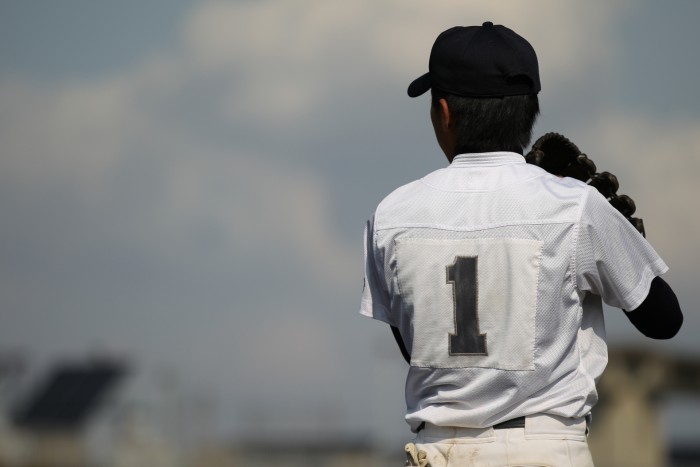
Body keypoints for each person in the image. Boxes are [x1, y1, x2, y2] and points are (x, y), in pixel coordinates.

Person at [359, 22, 683, 466]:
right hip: (545, 450)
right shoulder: (573, 205)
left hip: (439, 451)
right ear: (530, 112)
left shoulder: (391, 216)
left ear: (445, 113)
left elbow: (413, 344)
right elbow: (664, 321)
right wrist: (620, 236)